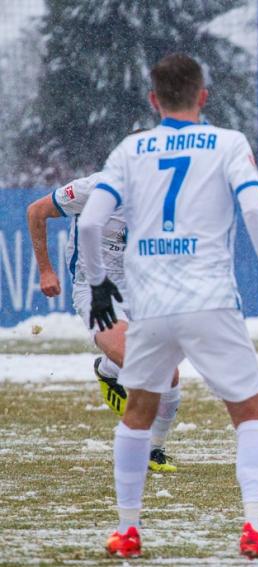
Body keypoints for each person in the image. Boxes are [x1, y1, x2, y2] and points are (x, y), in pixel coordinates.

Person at [77, 53, 258, 563]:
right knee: (247, 414)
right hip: (210, 300)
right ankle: (255, 527)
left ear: (154, 100)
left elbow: (90, 223)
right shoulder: (227, 143)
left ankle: (128, 531)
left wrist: (97, 283)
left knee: (137, 413)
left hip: (150, 305)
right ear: (204, 96)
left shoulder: (130, 150)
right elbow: (255, 207)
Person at [26, 173, 181, 472]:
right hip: (96, 291)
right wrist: (46, 270)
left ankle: (154, 449)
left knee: (170, 374)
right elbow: (36, 211)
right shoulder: (95, 188)